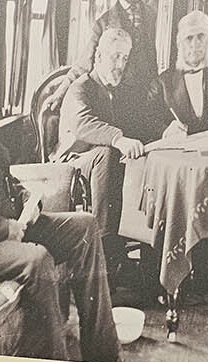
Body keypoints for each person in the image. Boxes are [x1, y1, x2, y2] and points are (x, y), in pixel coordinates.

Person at [0, 50, 119, 362]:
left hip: (14, 226)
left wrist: (28, 198)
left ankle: (105, 356)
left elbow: (4, 181)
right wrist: (7, 228)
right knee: (37, 258)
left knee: (85, 225)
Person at [57, 28, 155, 249]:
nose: (120, 64)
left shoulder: (122, 92)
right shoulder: (80, 87)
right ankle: (105, 242)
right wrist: (119, 139)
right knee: (107, 153)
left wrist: (166, 130)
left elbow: (141, 122)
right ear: (99, 56)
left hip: (104, 163)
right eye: (115, 57)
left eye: (125, 58)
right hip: (73, 161)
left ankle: (149, 250)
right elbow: (84, 124)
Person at [75, 0, 160, 93]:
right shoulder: (103, 22)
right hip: (116, 98)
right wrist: (60, 93)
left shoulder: (154, 16)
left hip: (149, 99)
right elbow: (84, 64)